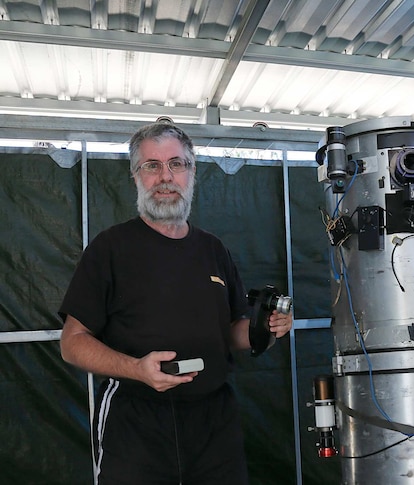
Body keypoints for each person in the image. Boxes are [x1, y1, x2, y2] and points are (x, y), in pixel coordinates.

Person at [58, 121, 292, 484]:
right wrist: (138, 369)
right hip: (136, 422)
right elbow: (72, 343)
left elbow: (230, 334)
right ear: (136, 176)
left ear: (191, 172)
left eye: (176, 164)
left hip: (214, 422)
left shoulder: (213, 249)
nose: (165, 176)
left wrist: (267, 328)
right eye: (152, 165)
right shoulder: (110, 248)